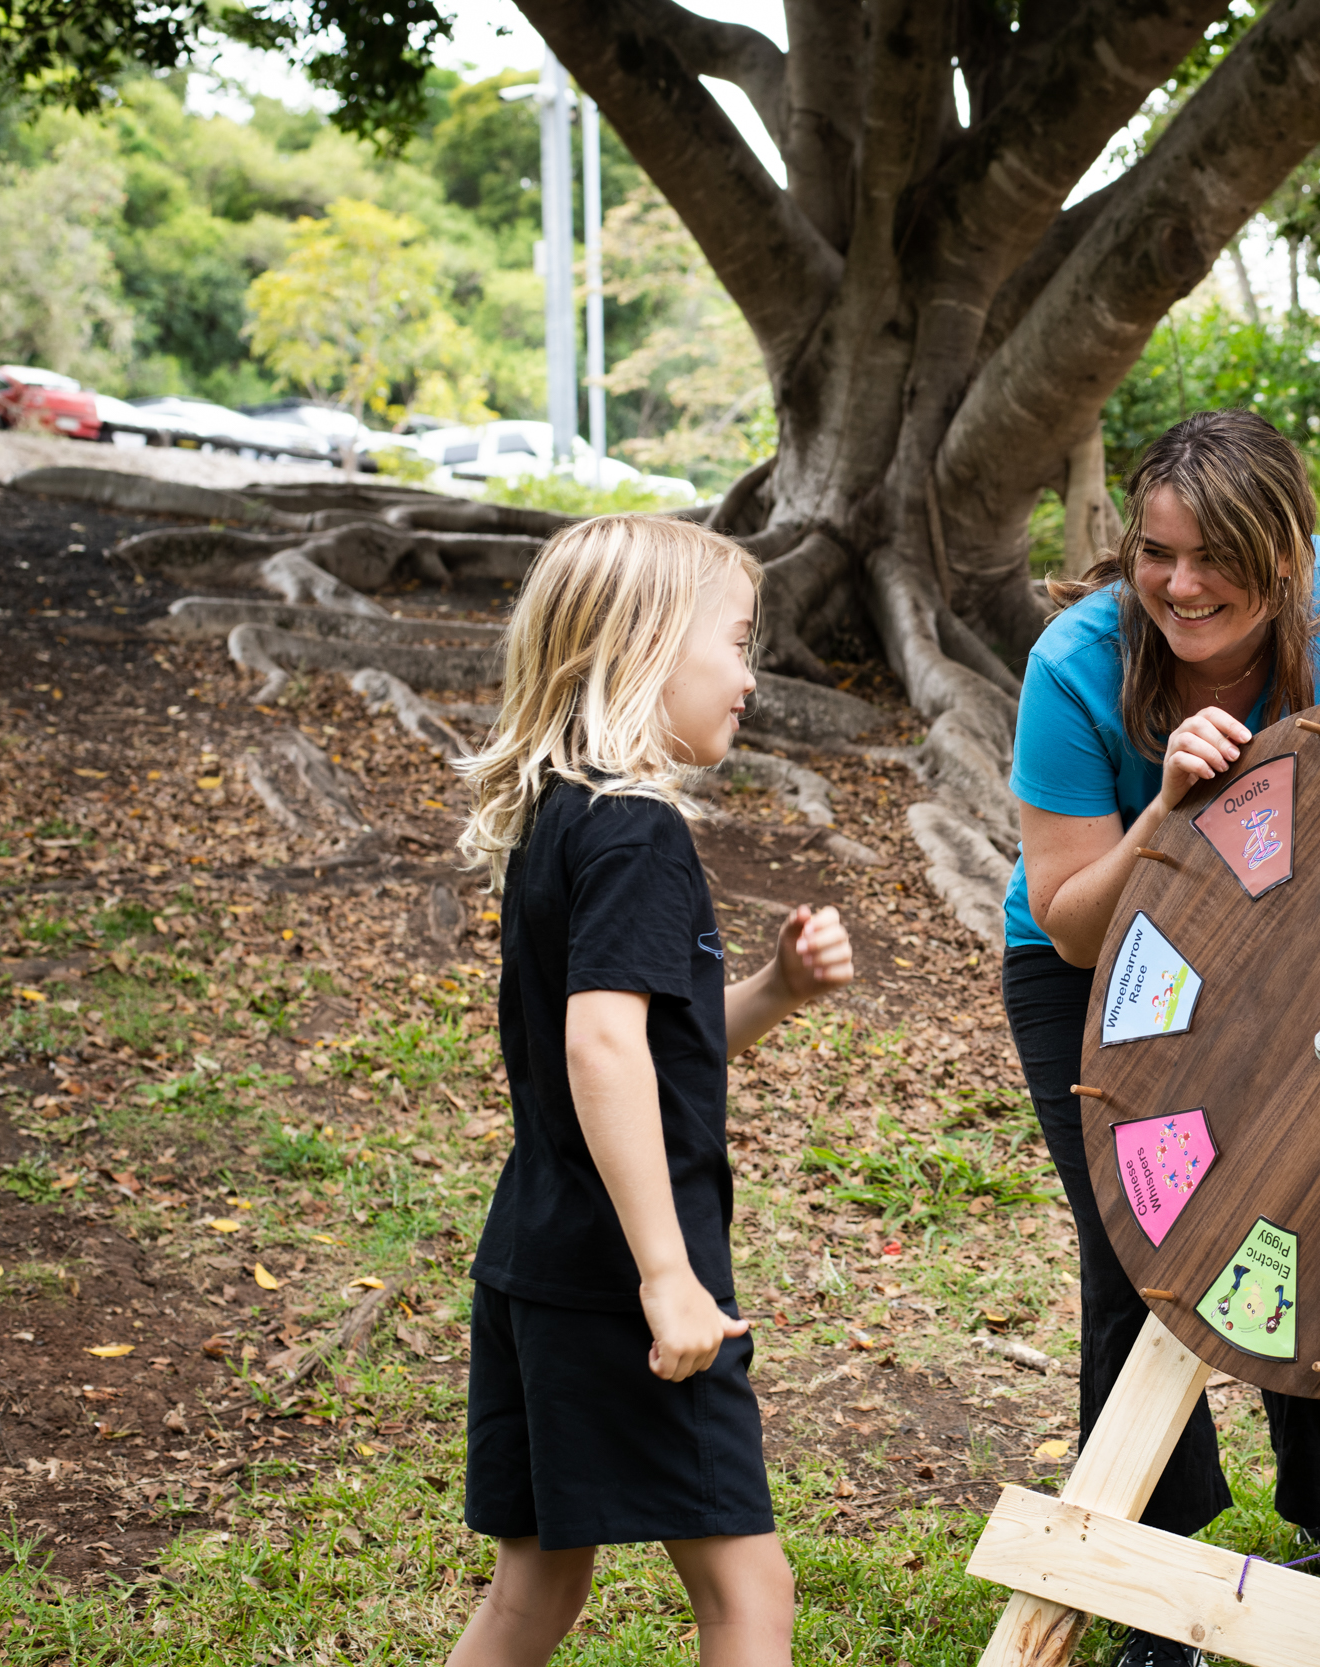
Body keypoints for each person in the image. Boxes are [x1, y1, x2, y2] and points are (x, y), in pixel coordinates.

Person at [1004, 409, 1320, 1667]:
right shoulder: (1074, 664)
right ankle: (1152, 1575)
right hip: (1096, 963)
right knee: (1144, 1246)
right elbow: (1066, 925)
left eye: (1208, 556)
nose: (1176, 583)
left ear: (1283, 555)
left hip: (1283, 951)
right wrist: (1167, 805)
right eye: (1153, 551)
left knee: (1307, 1207)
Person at [448, 515, 855, 1667]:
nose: (749, 675)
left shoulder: (560, 822)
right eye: (733, 642)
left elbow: (654, 1037)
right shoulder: (636, 832)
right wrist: (668, 1278)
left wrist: (774, 986)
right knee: (748, 1594)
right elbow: (602, 1052)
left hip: (538, 1253)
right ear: (642, 650)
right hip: (629, 1277)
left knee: (536, 1588)